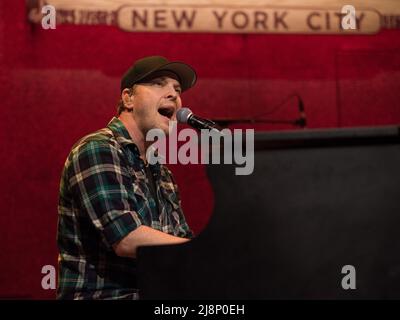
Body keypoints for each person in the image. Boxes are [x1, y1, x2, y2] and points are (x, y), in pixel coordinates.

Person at [56, 55, 197, 300]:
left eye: (177, 89)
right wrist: (204, 251)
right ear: (128, 98)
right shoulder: (97, 148)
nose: (173, 94)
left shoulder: (162, 173)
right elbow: (126, 238)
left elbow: (181, 238)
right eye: (158, 84)